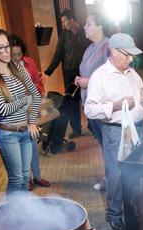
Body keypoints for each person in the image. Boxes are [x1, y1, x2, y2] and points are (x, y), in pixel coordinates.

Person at [84, 33, 143, 230]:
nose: (131, 59)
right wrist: (115, 105)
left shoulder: (132, 73)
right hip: (116, 131)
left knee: (138, 169)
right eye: (127, 54)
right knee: (116, 173)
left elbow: (142, 96)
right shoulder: (100, 76)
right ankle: (113, 213)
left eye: (132, 55)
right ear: (112, 52)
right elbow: (89, 109)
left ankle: (135, 207)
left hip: (138, 127)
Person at [0, 28, 41, 196]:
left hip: (25, 131)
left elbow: (36, 95)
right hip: (7, 134)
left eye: (7, 46)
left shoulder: (18, 67)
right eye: (1, 48)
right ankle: (13, 218)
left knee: (26, 177)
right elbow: (3, 110)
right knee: (16, 178)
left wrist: (32, 121)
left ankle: (23, 214)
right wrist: (25, 100)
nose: (7, 51)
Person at [75, 12, 113, 191]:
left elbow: (112, 78)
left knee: (109, 146)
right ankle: (110, 179)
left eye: (88, 23)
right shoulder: (90, 48)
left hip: (102, 106)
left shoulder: (108, 47)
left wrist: (87, 82)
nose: (84, 27)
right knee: (103, 144)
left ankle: (113, 181)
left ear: (100, 27)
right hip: (90, 104)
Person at [9, 35, 51, 191]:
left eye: (19, 54)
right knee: (22, 148)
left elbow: (38, 85)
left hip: (31, 109)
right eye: (13, 55)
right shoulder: (4, 70)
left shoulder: (29, 62)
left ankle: (37, 176)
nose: (16, 58)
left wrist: (35, 92)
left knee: (32, 143)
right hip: (15, 114)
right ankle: (27, 179)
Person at [42, 9, 90, 138]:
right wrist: (48, 72)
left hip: (84, 73)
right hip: (69, 74)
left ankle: (93, 126)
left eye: (64, 21)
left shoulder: (85, 33)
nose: (63, 24)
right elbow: (58, 54)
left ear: (72, 20)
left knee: (88, 99)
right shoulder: (64, 35)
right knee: (72, 102)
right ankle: (76, 129)